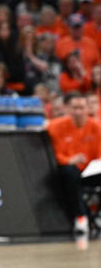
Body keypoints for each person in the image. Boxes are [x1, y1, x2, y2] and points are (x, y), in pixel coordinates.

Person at [47, 93, 101, 236]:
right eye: (74, 108)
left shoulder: (96, 127)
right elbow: (54, 154)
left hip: (91, 171)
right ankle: (81, 218)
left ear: (87, 108)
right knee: (70, 173)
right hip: (69, 171)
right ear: (67, 109)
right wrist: (69, 160)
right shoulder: (55, 126)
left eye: (81, 108)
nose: (78, 112)